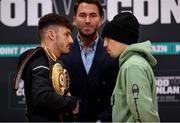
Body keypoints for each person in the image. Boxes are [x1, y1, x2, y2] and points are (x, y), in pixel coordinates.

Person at [13, 13, 79, 122]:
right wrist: (72, 103)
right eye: (67, 34)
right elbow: (42, 96)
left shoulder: (51, 60)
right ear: (51, 35)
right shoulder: (41, 61)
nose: (71, 40)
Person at [60, 0, 119, 122]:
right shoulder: (62, 53)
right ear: (74, 19)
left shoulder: (113, 53)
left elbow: (120, 96)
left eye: (93, 15)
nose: (87, 20)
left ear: (101, 19)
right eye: (82, 15)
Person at [101, 12, 160, 122]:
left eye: (108, 39)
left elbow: (144, 114)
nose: (104, 44)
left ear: (121, 37)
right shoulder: (132, 63)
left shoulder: (133, 66)